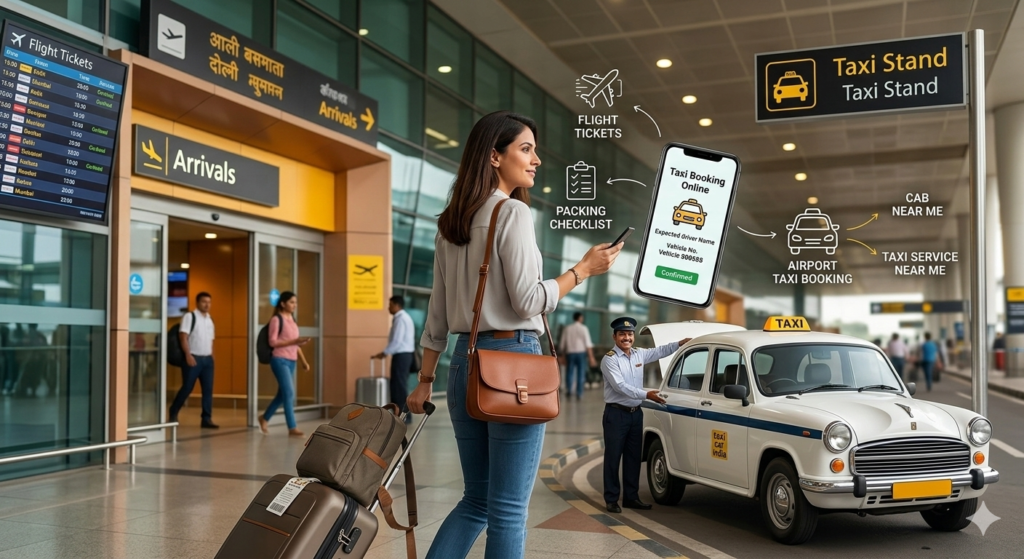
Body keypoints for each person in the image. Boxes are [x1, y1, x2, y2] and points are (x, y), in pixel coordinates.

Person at [406, 111, 620, 559]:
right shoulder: (513, 212)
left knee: (476, 501)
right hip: (513, 362)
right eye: (526, 149)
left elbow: (437, 318)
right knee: (507, 510)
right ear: (493, 156)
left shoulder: (451, 224)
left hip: (463, 363)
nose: (536, 159)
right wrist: (582, 270)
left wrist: (424, 381)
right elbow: (528, 300)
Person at [600, 317, 684, 514]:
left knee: (633, 457)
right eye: (622, 334)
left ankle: (631, 497)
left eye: (630, 334)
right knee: (613, 458)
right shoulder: (609, 360)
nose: (626, 338)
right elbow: (620, 387)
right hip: (616, 414)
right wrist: (647, 395)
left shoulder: (639, 354)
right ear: (615, 337)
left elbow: (660, 351)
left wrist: (680, 343)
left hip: (635, 414)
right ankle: (611, 499)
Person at [258, 291, 310, 437]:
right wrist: (294, 341)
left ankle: (264, 418)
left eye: (296, 302)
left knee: (282, 395)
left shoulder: (292, 320)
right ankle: (292, 427)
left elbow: (295, 344)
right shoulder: (276, 320)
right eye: (292, 302)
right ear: (283, 303)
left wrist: (304, 361)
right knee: (289, 393)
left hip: (292, 360)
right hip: (279, 359)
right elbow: (272, 342)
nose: (295, 305)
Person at [169, 292, 218, 428]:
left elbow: (211, 340)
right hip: (193, 358)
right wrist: (188, 355)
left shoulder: (210, 320)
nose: (207, 305)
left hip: (207, 359)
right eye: (204, 302)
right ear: (197, 303)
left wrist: (212, 356)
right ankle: (173, 411)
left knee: (207, 390)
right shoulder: (190, 317)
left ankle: (206, 419)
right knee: (187, 388)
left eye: (209, 302)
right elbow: (183, 336)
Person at [372, 295, 416, 420]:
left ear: (397, 305)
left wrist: (385, 353)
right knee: (399, 386)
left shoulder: (400, 319)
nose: (388, 308)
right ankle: (402, 415)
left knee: (398, 387)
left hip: (402, 356)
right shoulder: (405, 317)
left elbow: (397, 340)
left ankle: (402, 416)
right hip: (405, 356)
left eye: (390, 305)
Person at [559, 312, 596, 400]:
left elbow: (562, 344)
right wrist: (591, 358)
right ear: (580, 318)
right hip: (581, 353)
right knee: (581, 373)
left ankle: (569, 391)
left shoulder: (567, 328)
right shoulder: (584, 328)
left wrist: (562, 356)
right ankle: (579, 393)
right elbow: (588, 344)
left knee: (569, 372)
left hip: (570, 353)